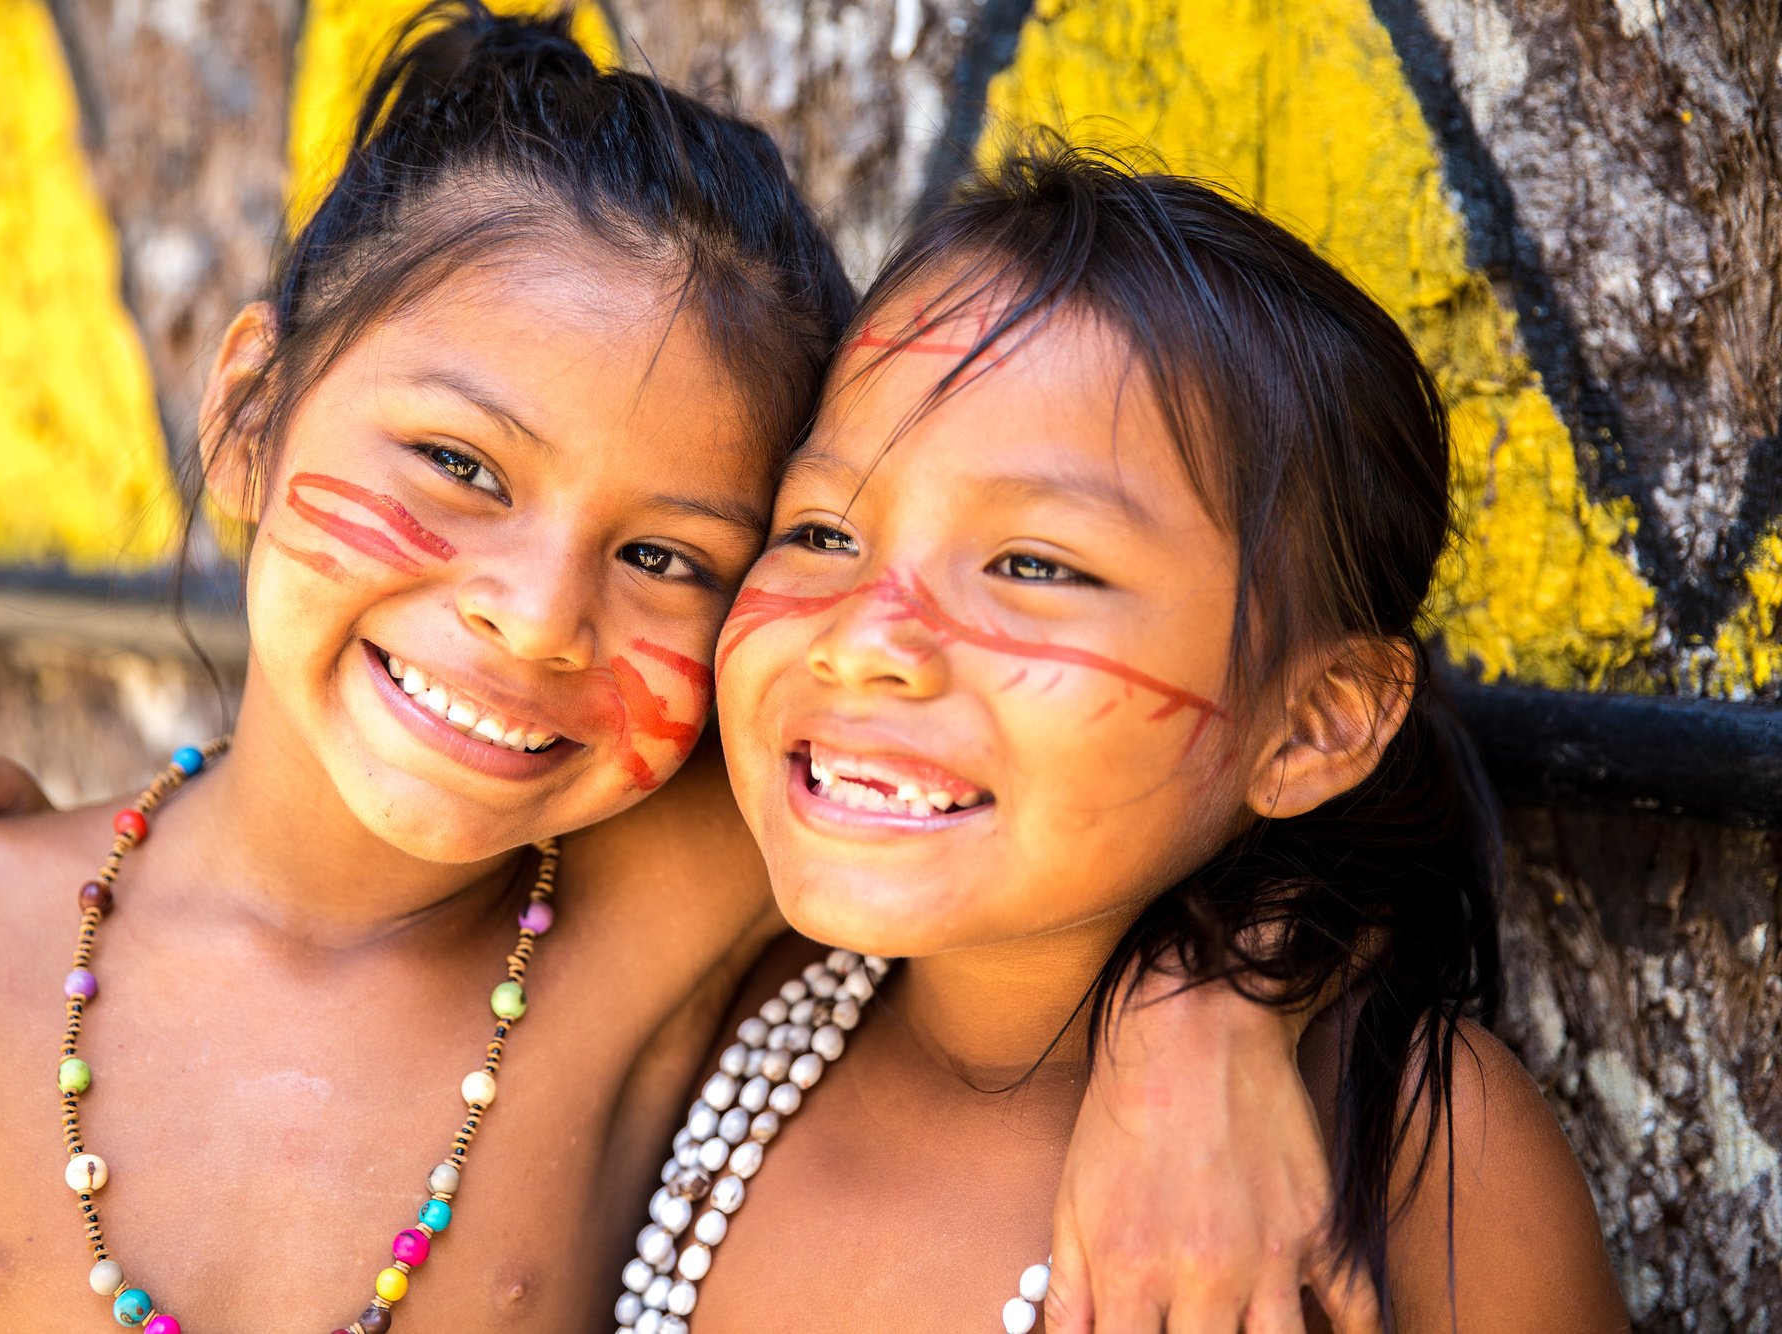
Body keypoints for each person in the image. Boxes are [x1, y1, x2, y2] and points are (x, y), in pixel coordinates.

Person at [0, 7, 1370, 1332]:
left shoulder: (694, 894)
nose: (540, 617)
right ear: (251, 414)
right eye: (460, 464)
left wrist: (1208, 1018)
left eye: (671, 555)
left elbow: (1196, 788)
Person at [610, 148, 1630, 1332]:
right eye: (822, 532)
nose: (865, 636)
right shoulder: (696, 989)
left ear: (1313, 722)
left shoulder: (1415, 1155)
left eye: (1035, 565)